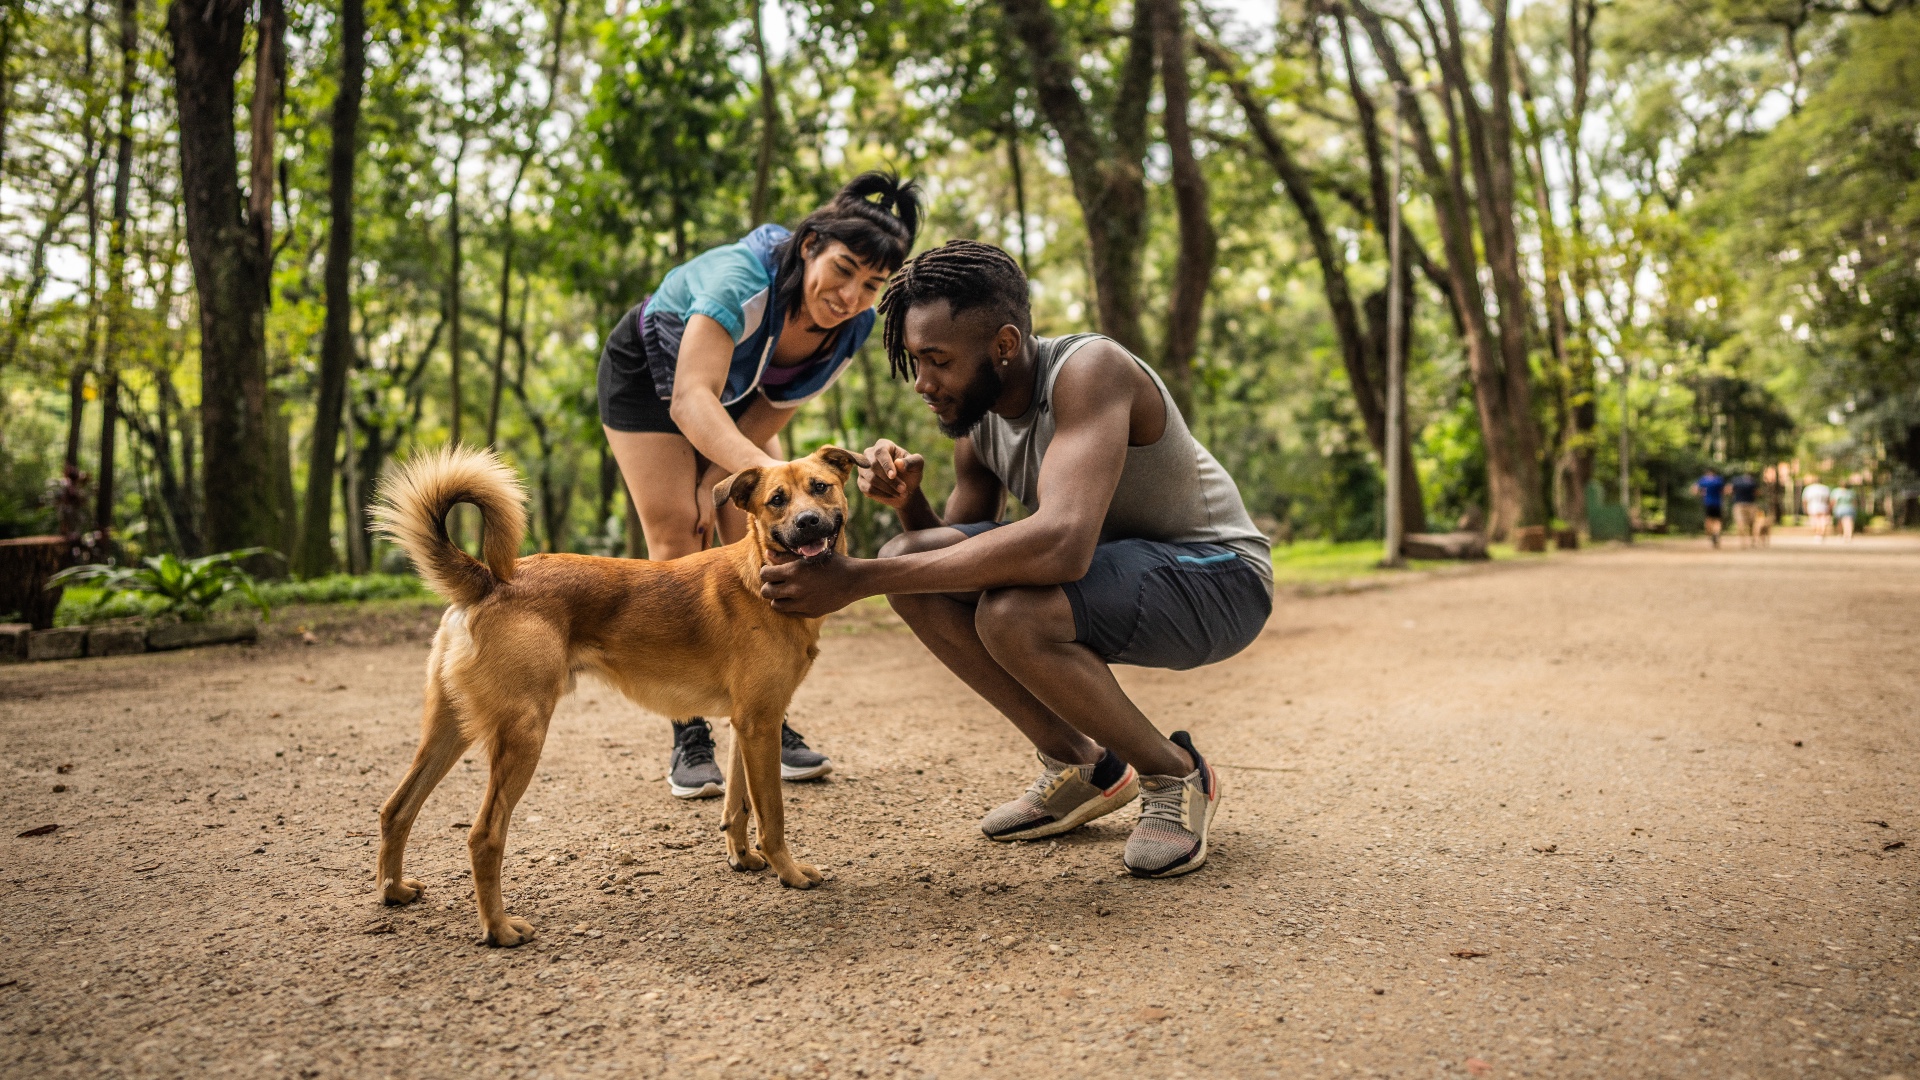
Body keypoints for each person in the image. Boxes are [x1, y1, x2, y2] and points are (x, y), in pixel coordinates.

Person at [758, 240, 1274, 878]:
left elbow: (1061, 542)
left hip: (1221, 579)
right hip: (1122, 574)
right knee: (914, 564)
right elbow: (947, 566)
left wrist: (859, 577)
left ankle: (1175, 774)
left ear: (1004, 345)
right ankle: (1084, 764)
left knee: (1011, 614)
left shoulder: (1091, 371)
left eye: (937, 360)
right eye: (915, 362)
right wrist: (907, 507)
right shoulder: (979, 426)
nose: (923, 383)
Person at [598, 172, 922, 798]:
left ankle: (760, 706)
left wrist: (731, 482)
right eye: (844, 269)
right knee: (678, 531)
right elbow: (693, 399)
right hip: (652, 378)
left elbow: (768, 414)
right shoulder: (741, 281)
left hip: (738, 401)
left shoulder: (850, 327)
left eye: (871, 285)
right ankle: (688, 735)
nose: (851, 294)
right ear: (809, 247)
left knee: (752, 536)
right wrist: (738, 480)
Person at [1695, 468, 1727, 548]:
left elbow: (1695, 490)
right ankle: (1716, 533)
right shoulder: (1719, 480)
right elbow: (1724, 491)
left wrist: (1701, 493)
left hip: (1708, 503)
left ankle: (1711, 533)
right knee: (1717, 520)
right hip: (1717, 503)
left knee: (1708, 519)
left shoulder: (1703, 480)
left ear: (1707, 473)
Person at [1729, 471, 1760, 547]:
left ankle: (1743, 541)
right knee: (1752, 523)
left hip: (1738, 505)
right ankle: (1752, 540)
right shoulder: (1753, 482)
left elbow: (1729, 491)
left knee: (1740, 523)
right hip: (1751, 504)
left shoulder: (1736, 481)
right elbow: (1757, 493)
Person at [1802, 477, 1832, 542]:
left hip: (1813, 506)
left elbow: (1804, 500)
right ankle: (1821, 533)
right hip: (1823, 506)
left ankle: (1817, 533)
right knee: (1822, 520)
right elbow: (1829, 499)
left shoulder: (1808, 488)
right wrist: (1829, 508)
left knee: (1814, 520)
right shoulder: (1825, 488)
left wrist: (1805, 508)